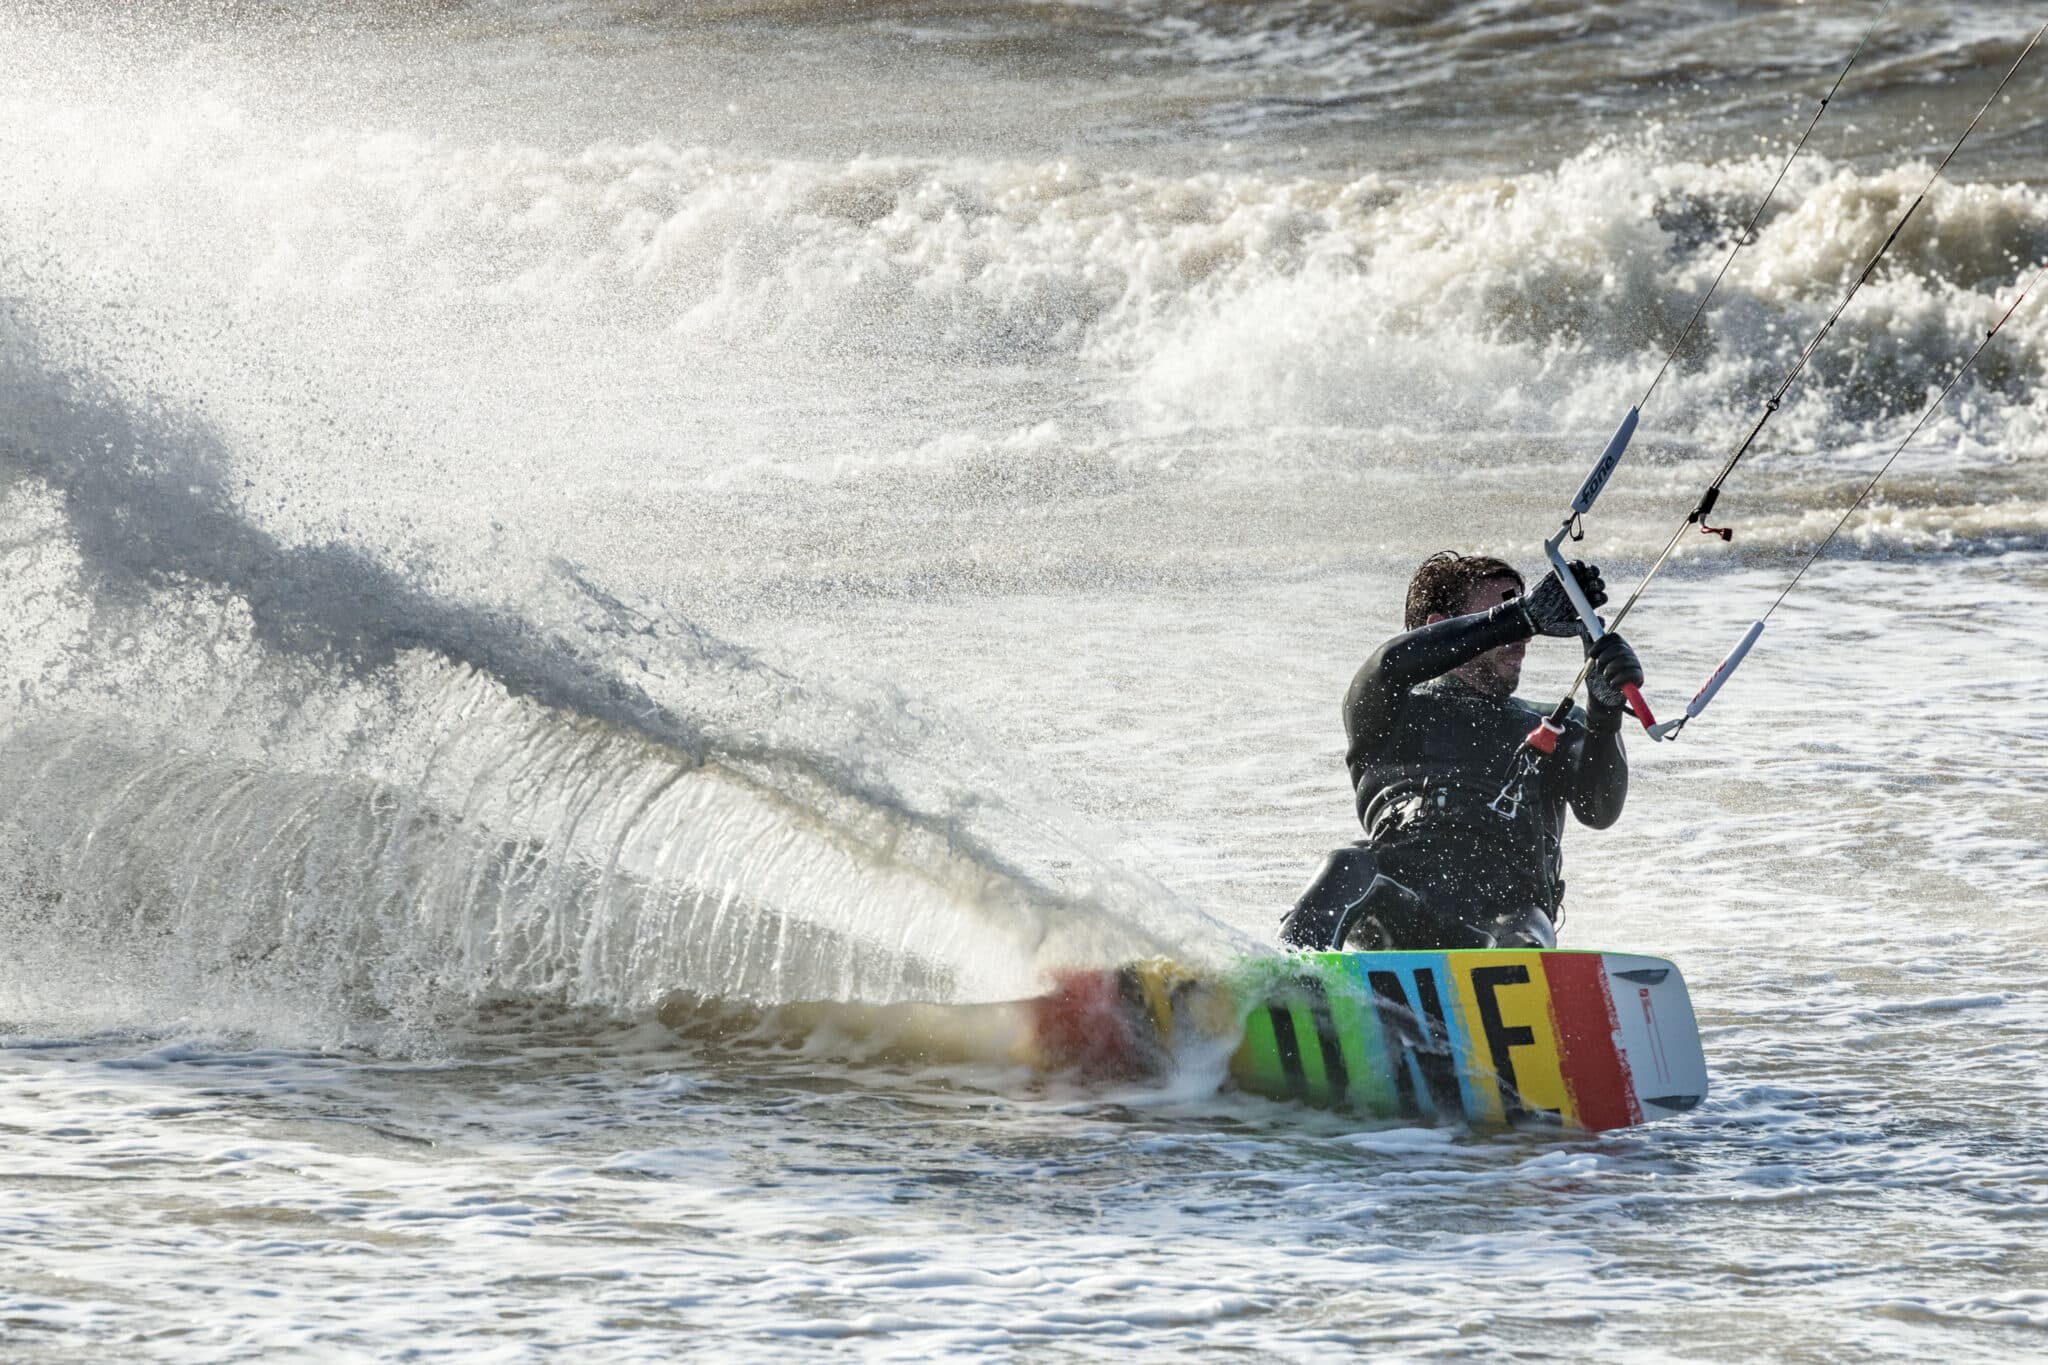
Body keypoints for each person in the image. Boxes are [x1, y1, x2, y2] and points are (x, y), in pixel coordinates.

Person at [1277, 551, 1645, 952]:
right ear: (1441, 627)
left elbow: (1600, 810)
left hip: (1502, 919)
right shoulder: (1392, 706)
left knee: (1526, 928)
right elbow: (1389, 663)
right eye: (1503, 613)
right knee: (1348, 864)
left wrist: (1605, 712)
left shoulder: (1558, 723)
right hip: (1398, 906)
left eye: (1526, 616)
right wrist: (1521, 615)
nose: (1524, 636)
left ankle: (1522, 990)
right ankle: (1287, 976)